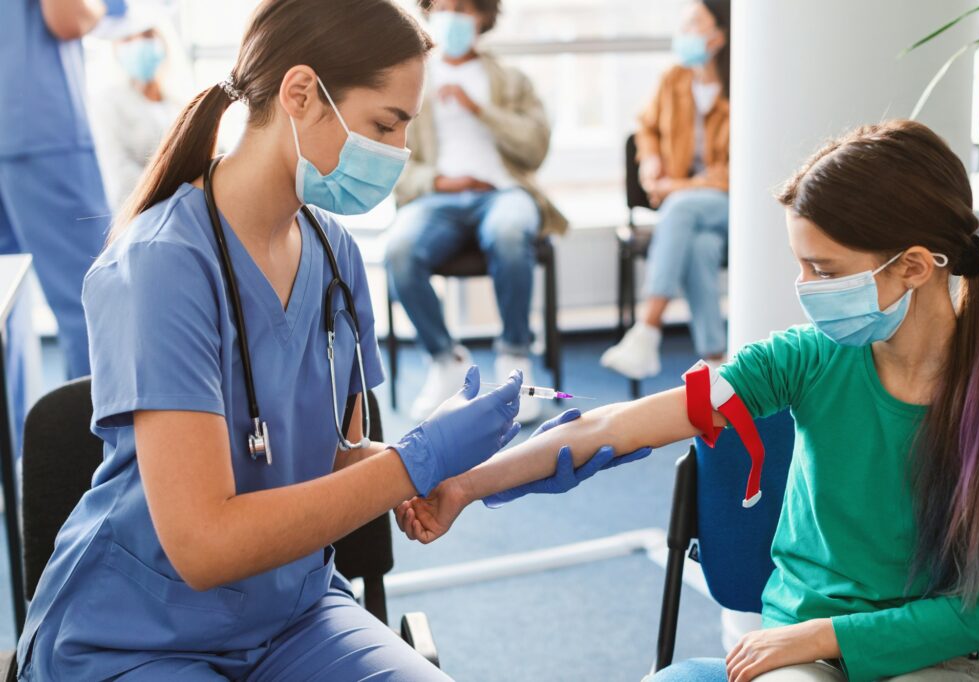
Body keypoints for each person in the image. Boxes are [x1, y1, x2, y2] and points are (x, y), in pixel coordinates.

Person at [16, 1, 628, 679]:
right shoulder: (162, 264)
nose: (398, 154)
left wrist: (480, 470)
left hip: (293, 612)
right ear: (301, 93)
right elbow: (204, 546)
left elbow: (332, 459)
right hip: (139, 634)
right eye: (384, 124)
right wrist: (416, 460)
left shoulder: (335, 256)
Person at [398, 120, 979, 682]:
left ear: (913, 266)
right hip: (799, 650)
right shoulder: (806, 358)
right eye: (800, 265)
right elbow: (616, 424)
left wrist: (822, 635)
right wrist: (465, 485)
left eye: (826, 271)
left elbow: (978, 615)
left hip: (926, 656)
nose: (804, 289)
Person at [385, 0, 566, 424]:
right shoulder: (410, 79)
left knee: (509, 231)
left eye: (463, 7)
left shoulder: (509, 80)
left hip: (504, 193)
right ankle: (445, 360)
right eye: (443, 6)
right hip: (436, 198)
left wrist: (479, 108)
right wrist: (438, 181)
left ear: (483, 16)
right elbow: (391, 158)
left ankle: (514, 358)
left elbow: (535, 147)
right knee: (400, 251)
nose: (452, 16)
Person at [601, 0, 730, 380]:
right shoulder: (674, 78)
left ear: (719, 36)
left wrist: (678, 187)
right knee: (699, 247)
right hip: (688, 208)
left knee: (680, 208)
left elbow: (739, 171)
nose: (685, 32)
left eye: (695, 24)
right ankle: (717, 360)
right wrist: (651, 161)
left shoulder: (742, 87)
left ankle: (648, 328)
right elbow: (646, 127)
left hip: (730, 204)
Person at [0, 0, 123, 380]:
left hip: (15, 120)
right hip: (39, 124)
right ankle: (93, 441)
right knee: (94, 303)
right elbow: (66, 16)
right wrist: (107, 9)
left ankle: (16, 440)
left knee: (7, 305)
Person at [91, 14, 183, 209]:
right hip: (142, 215)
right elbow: (120, 174)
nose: (140, 45)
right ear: (115, 48)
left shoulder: (178, 102)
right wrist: (183, 195)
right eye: (128, 39)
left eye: (148, 35)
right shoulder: (108, 103)